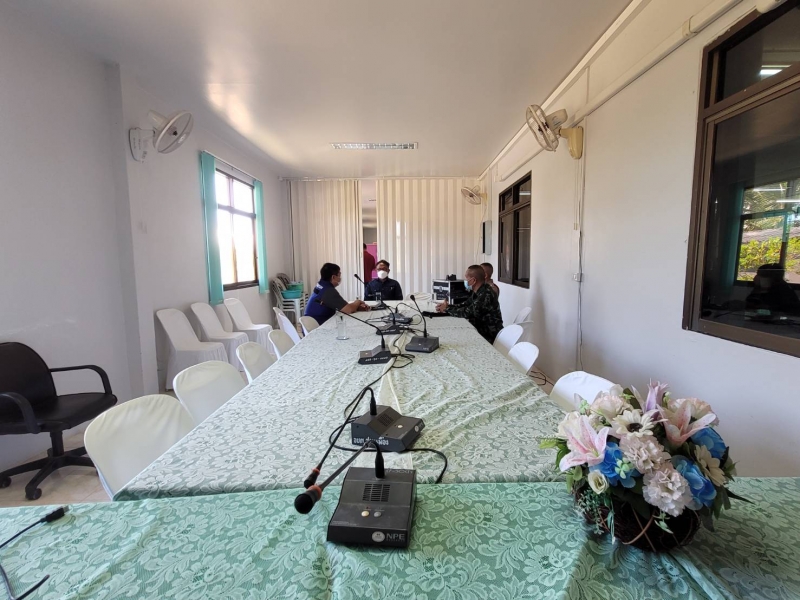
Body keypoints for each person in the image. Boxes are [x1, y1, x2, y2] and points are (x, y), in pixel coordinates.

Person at [436, 264, 504, 343]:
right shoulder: (478, 291)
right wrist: (448, 306)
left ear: (473, 280)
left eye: (467, 278)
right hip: (480, 332)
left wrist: (446, 309)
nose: (465, 281)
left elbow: (467, 312)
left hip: (489, 337)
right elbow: (465, 305)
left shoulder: (486, 294)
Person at [305, 262, 370, 325]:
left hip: (313, 321)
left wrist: (356, 307)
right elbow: (348, 310)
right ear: (333, 277)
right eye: (339, 275)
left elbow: (343, 307)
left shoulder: (321, 285)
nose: (340, 278)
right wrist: (358, 302)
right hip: (319, 325)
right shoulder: (328, 291)